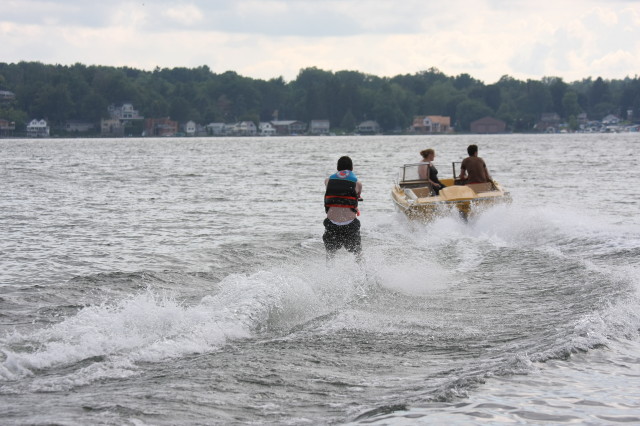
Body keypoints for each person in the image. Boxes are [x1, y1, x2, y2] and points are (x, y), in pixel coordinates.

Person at [323, 156, 363, 263]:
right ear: (352, 169)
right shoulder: (358, 184)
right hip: (350, 225)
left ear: (337, 168)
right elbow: (356, 198)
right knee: (358, 254)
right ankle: (363, 271)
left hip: (332, 224)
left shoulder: (327, 181)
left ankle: (329, 271)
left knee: (330, 255)